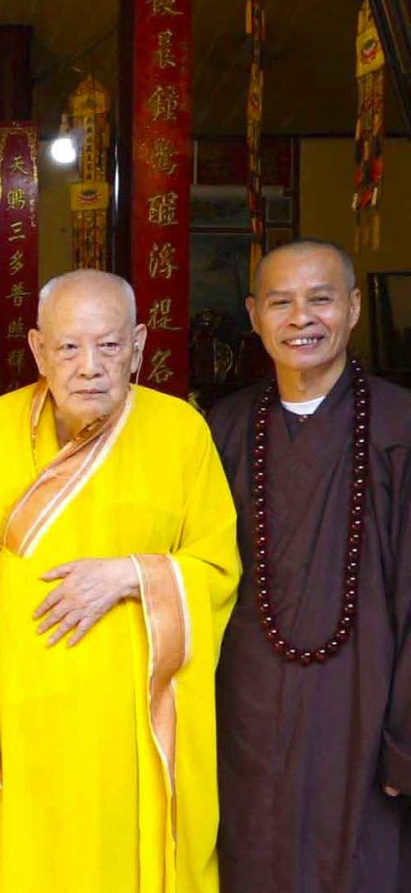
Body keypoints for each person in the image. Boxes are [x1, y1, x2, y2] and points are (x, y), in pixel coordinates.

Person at [0, 269, 240, 892]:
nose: (89, 367)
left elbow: (218, 568)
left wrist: (132, 574)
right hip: (21, 720)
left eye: (109, 345)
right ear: (38, 350)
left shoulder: (181, 432)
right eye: (68, 347)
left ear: (139, 346)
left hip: (134, 723)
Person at [206, 238, 411, 892]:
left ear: (352, 308)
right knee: (249, 856)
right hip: (245, 710)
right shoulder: (222, 429)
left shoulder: (401, 426)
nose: (301, 319)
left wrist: (405, 737)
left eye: (320, 299)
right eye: (281, 302)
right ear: (253, 315)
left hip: (363, 706)